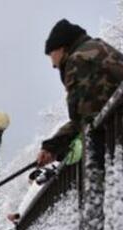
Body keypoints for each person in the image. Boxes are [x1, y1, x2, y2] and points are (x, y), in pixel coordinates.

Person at [37, 19, 123, 167]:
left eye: (51, 55)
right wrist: (53, 146)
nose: (53, 65)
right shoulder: (99, 47)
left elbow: (84, 118)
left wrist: (57, 147)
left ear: (61, 48)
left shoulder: (77, 60)